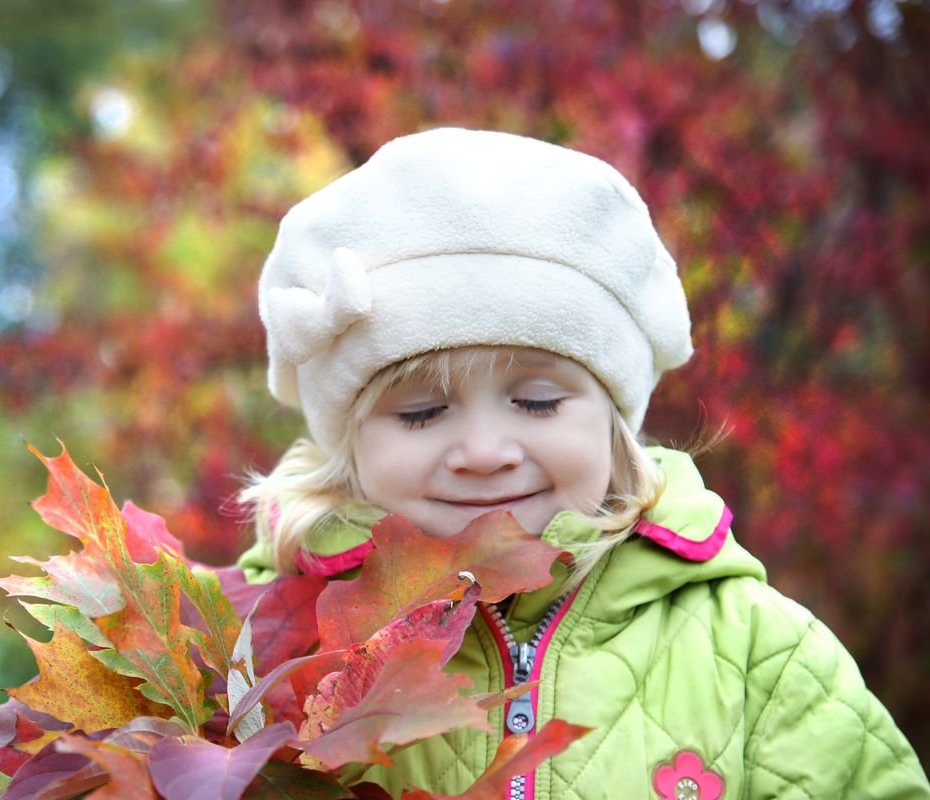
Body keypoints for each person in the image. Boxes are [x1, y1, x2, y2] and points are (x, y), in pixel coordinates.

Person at [234, 128, 929, 798]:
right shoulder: (262, 648)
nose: (483, 453)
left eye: (537, 402)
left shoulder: (758, 653)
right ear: (349, 443)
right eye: (421, 413)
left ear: (612, 424)